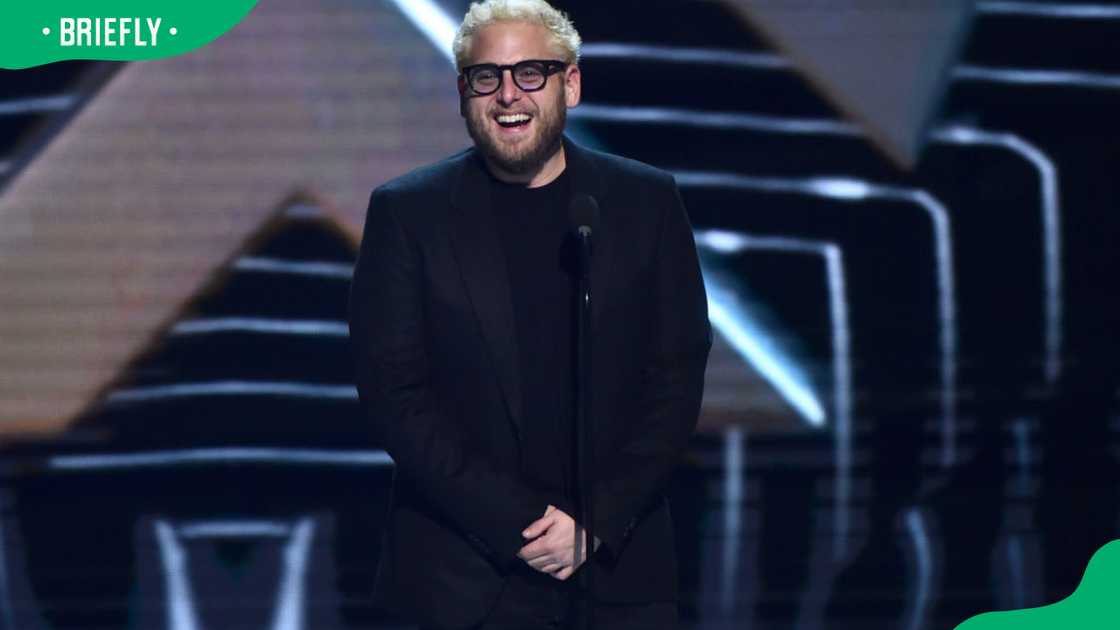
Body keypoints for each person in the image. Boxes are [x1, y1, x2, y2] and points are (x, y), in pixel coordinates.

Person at [346, 1, 711, 628]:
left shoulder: (646, 202)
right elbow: (395, 396)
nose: (508, 94)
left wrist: (596, 519)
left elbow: (675, 377)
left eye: (531, 73)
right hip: (462, 581)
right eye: (486, 77)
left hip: (619, 574)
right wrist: (522, 526)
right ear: (464, 93)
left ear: (570, 82)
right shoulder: (408, 215)